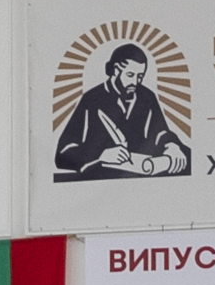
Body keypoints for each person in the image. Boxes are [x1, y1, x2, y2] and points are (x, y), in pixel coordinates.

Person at [53, 42, 190, 181]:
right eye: (130, 75)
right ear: (116, 70)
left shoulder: (147, 97)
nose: (135, 82)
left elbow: (160, 132)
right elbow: (63, 153)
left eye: (140, 76)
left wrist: (171, 145)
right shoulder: (92, 99)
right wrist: (100, 155)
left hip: (142, 178)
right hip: (101, 182)